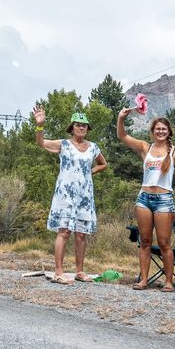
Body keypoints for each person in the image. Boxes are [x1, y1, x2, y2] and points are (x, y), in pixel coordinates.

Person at [33, 106, 108, 284]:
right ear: (72, 127)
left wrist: (91, 172)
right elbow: (41, 143)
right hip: (65, 194)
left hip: (85, 195)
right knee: (64, 231)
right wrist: (40, 126)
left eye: (84, 125)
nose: (81, 128)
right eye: (77, 125)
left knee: (81, 234)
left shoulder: (93, 147)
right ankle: (58, 272)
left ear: (88, 128)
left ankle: (79, 271)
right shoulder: (64, 144)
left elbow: (103, 164)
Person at [116, 109, 175, 292]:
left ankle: (169, 282)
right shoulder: (145, 147)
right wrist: (121, 118)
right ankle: (144, 280)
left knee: (164, 243)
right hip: (144, 199)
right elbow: (122, 136)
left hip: (164, 199)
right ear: (152, 132)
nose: (160, 131)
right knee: (145, 240)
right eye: (157, 129)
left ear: (169, 131)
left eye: (164, 129)